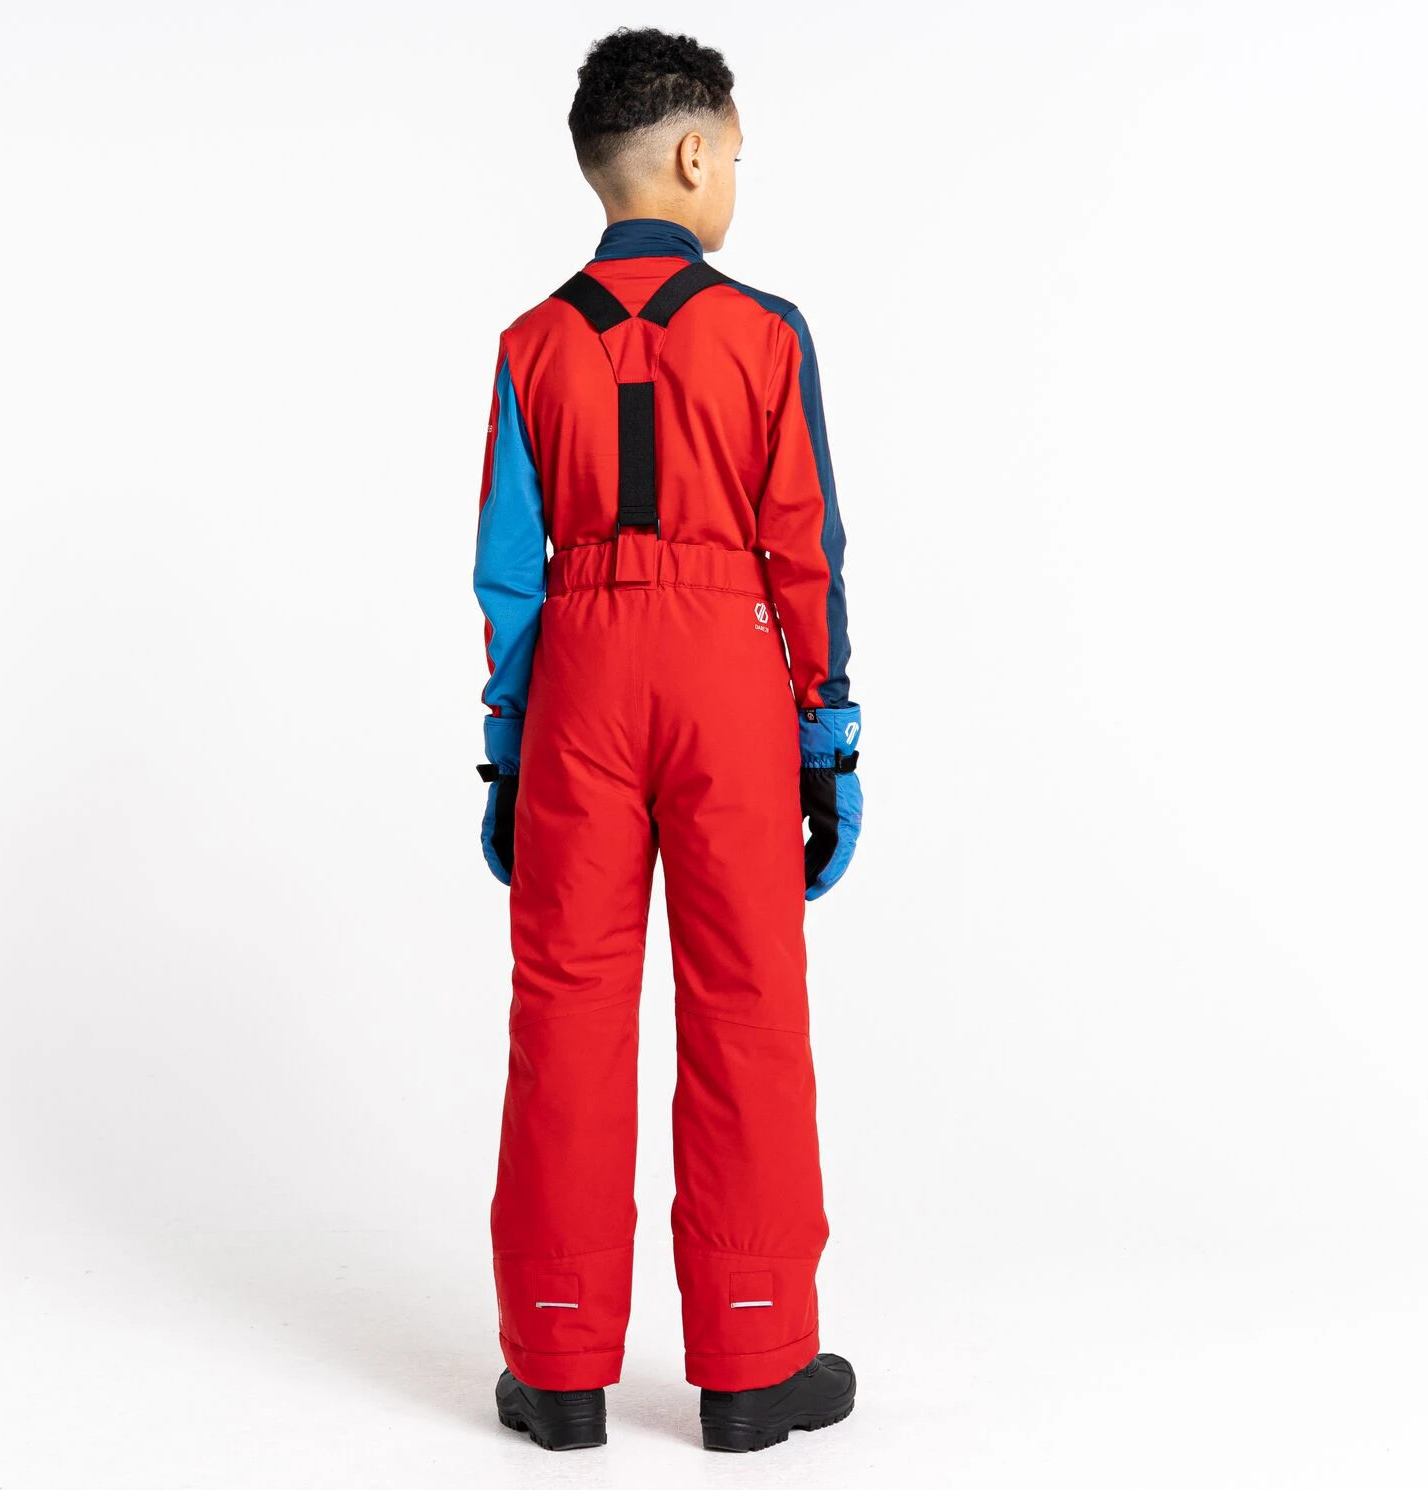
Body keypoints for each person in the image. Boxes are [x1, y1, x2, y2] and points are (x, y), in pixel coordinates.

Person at [472, 25, 864, 1453]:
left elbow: (507, 573)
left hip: (579, 677)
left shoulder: (528, 345)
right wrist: (827, 737)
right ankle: (754, 1361)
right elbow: (803, 545)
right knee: (745, 1004)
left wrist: (511, 749)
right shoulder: (765, 334)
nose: (739, 175)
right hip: (726, 674)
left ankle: (557, 1363)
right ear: (694, 154)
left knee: (565, 1007)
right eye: (738, 153)